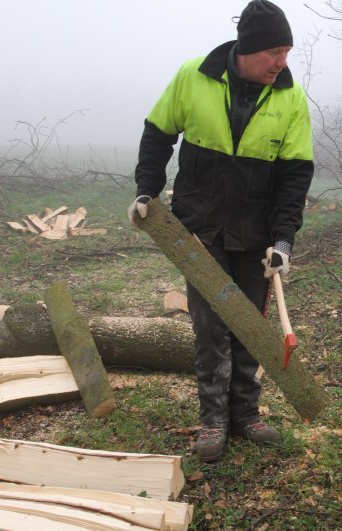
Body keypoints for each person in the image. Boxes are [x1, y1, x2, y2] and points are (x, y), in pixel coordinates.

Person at [127, 0, 313, 462]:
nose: (281, 62)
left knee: (250, 325)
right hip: (198, 229)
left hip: (256, 235)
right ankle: (213, 420)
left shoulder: (290, 97)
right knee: (211, 327)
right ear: (247, 49)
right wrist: (146, 192)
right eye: (274, 51)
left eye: (287, 51)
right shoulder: (194, 76)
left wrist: (284, 239)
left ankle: (246, 416)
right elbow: (157, 134)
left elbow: (295, 176)